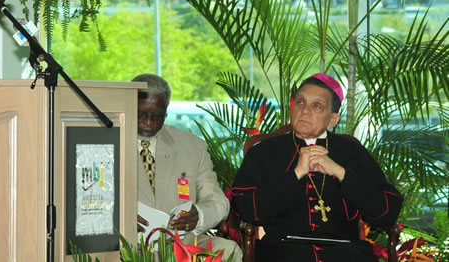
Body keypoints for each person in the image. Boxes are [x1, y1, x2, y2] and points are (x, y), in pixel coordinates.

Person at [229, 73, 403, 262]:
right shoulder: (264, 152)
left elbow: (387, 212)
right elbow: (246, 209)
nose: (305, 111)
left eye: (317, 106)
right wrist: (296, 173)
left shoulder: (352, 152)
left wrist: (340, 172)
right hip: (283, 251)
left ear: (333, 120)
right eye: (300, 102)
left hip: (346, 252)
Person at [133, 73, 242, 262]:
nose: (149, 123)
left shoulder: (193, 147)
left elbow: (217, 201)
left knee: (229, 250)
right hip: (128, 243)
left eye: (157, 116)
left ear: (166, 113)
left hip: (181, 243)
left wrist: (198, 216)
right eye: (141, 114)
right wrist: (119, 218)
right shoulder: (106, 143)